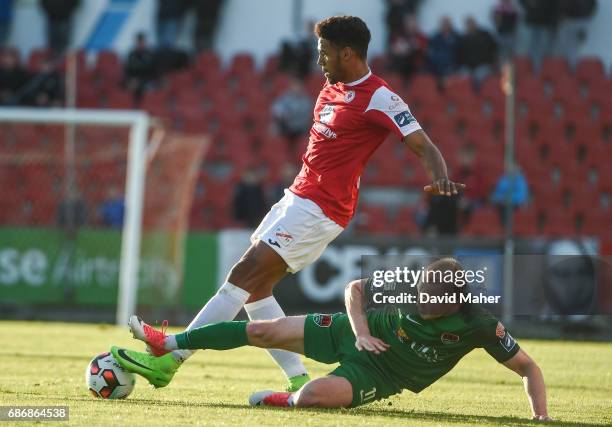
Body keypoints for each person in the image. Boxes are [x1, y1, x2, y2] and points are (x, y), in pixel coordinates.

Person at [125, 15, 464, 393]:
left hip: (321, 209)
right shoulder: (329, 89)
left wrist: (440, 177)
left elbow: (423, 144)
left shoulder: (380, 96)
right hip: (297, 197)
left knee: (241, 276)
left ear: (347, 53)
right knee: (256, 290)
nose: (319, 61)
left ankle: (168, 359)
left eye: (325, 53)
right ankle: (298, 378)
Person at [111, 258, 551, 421]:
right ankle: (167, 344)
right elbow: (354, 290)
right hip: (350, 332)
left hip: (381, 373)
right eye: (420, 292)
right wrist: (360, 330)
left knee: (312, 400)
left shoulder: (479, 323)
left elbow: (528, 367)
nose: (421, 300)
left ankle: (284, 398)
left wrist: (541, 417)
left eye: (431, 299)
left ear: (455, 302)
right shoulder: (408, 283)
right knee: (262, 330)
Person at [457, 17, 498, 86]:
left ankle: (479, 95)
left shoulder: (485, 35)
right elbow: (460, 55)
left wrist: (494, 63)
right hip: (468, 67)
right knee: (463, 76)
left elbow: (494, 49)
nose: (470, 25)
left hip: (484, 65)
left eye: (471, 23)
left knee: (479, 77)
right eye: (468, 24)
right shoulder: (463, 39)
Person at [271, 78, 313, 145]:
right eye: (294, 86)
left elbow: (307, 115)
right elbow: (276, 109)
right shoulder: (285, 97)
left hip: (301, 127)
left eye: (298, 86)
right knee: (274, 129)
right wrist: (284, 114)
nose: (296, 88)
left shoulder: (306, 100)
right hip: (287, 125)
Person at [556, 0, 597, 68]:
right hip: (568, 20)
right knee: (562, 46)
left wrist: (586, 16)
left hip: (579, 21)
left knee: (573, 48)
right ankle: (563, 68)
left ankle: (571, 69)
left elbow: (592, 5)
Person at [124, 32, 157, 101]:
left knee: (147, 87)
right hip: (134, 80)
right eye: (139, 41)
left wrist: (141, 80)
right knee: (129, 86)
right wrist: (131, 79)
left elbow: (152, 70)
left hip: (147, 80)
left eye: (142, 41)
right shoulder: (132, 54)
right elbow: (128, 70)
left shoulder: (150, 54)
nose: (140, 44)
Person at [426, 16, 459, 82]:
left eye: (447, 24)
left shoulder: (457, 37)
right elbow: (431, 54)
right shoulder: (435, 38)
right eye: (443, 24)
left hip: (454, 68)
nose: (445, 26)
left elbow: (459, 54)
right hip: (437, 69)